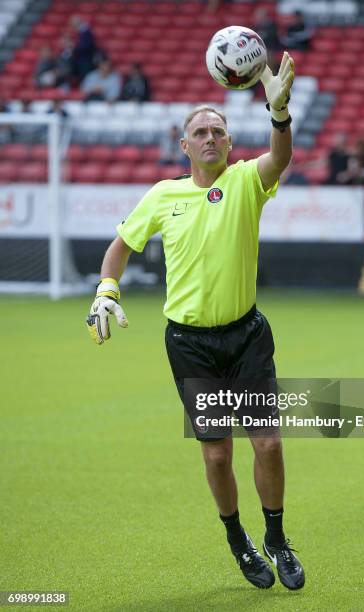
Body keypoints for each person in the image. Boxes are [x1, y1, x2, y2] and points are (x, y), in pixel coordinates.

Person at [86, 53, 305, 592]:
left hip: (248, 335)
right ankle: (239, 540)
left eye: (219, 131)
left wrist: (279, 114)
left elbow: (280, 159)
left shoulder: (247, 182)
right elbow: (119, 250)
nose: (210, 138)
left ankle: (276, 537)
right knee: (216, 453)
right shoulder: (162, 196)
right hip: (189, 344)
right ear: (183, 145)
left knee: (270, 444)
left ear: (230, 143)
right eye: (200, 132)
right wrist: (106, 290)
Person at [70, 15, 98, 82]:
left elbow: (86, 46)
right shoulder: (81, 32)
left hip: (86, 60)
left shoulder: (86, 32)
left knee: (86, 79)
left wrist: (74, 48)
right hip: (81, 60)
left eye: (74, 24)